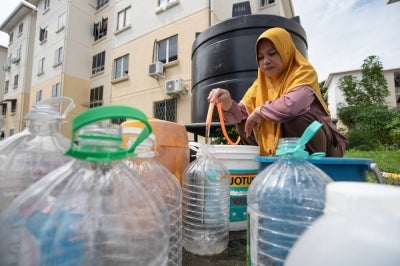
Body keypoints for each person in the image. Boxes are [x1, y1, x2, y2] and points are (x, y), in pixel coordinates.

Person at [207, 27, 346, 157]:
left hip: (328, 148)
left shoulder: (304, 72)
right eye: (260, 57)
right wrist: (227, 104)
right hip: (284, 146)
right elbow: (239, 116)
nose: (266, 61)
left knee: (296, 118)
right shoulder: (260, 84)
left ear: (285, 50)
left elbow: (293, 105)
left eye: (272, 53)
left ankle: (313, 169)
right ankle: (267, 162)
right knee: (244, 123)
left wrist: (260, 111)